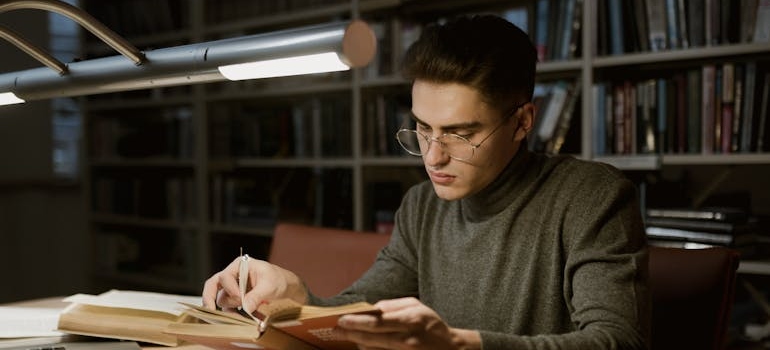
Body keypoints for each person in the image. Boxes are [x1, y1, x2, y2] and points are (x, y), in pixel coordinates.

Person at [203, 14, 650, 350]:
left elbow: (616, 341)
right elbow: (360, 312)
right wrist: (297, 298)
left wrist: (459, 344)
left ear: (521, 122)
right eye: (422, 127)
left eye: (461, 133)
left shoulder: (592, 197)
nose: (433, 157)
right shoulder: (421, 206)